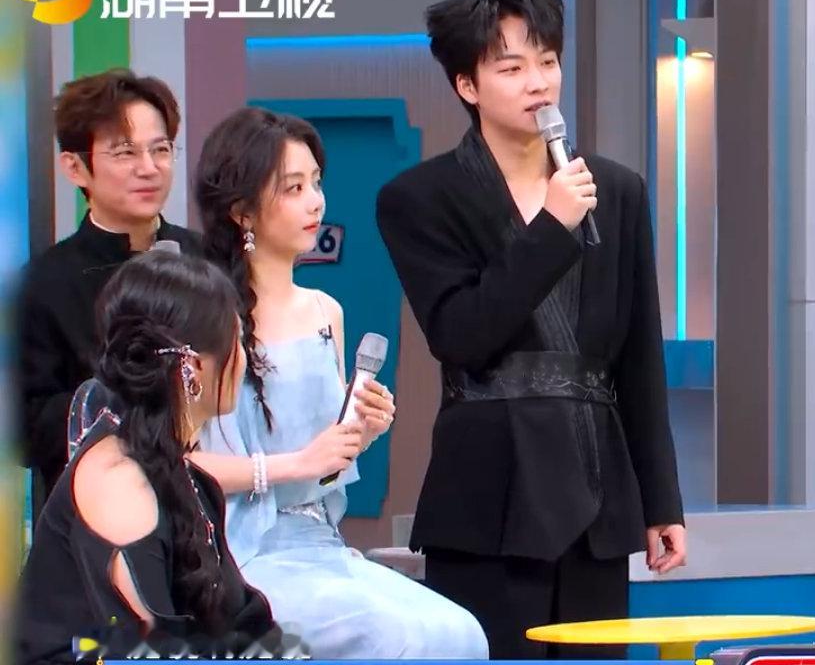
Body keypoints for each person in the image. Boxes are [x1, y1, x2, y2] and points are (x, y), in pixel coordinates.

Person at [376, 0, 687, 659]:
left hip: (596, 494)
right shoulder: (419, 198)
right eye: (512, 67)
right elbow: (462, 334)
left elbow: (639, 357)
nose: (538, 82)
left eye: (547, 61)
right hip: (489, 501)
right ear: (468, 85)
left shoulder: (617, 190)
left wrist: (661, 500)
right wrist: (551, 227)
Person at [189, 106, 488, 659]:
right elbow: (178, 463)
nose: (315, 202)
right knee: (393, 638)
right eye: (293, 188)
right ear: (241, 211)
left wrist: (361, 431)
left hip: (321, 544)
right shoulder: (207, 319)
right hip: (243, 554)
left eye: (317, 183)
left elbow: (326, 467)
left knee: (462, 631)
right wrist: (297, 463)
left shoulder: (326, 311)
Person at [17, 247, 297, 663]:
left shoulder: (188, 478)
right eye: (236, 341)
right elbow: (147, 650)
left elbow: (243, 623)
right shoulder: (119, 484)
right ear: (194, 367)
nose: (243, 358)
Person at [19, 69, 200, 504]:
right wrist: (130, 402)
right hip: (96, 509)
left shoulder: (205, 258)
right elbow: (23, 425)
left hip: (207, 498)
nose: (148, 168)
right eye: (124, 153)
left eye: (160, 149)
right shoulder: (43, 281)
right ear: (76, 167)